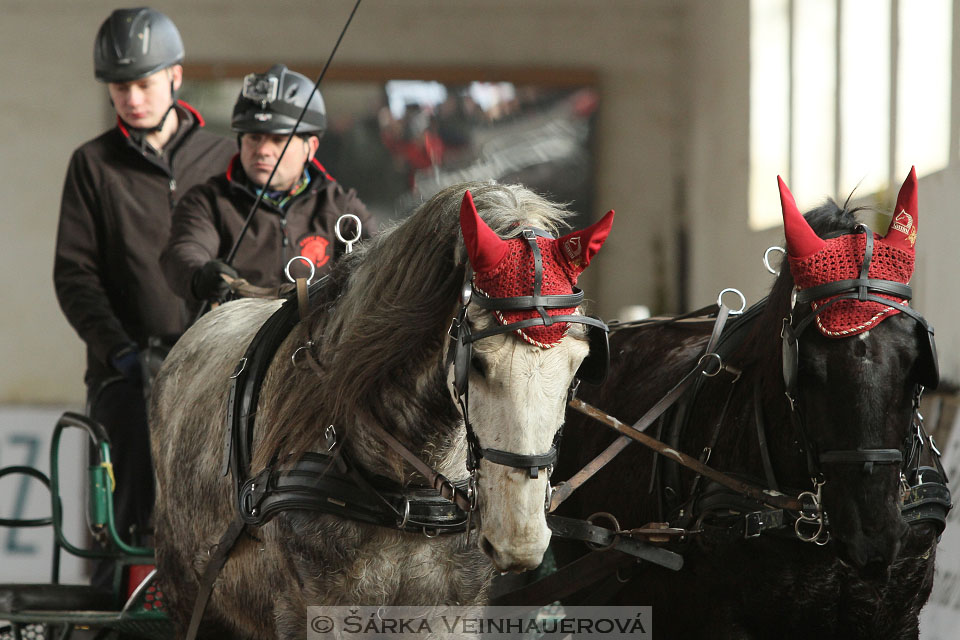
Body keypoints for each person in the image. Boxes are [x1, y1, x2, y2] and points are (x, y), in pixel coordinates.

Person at [52, 8, 236, 589]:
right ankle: (111, 622)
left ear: (175, 78)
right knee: (126, 522)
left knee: (222, 514)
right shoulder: (92, 164)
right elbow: (75, 276)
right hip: (126, 375)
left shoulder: (221, 160)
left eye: (143, 83)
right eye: (119, 87)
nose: (131, 98)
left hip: (215, 372)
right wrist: (120, 353)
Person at [161, 64, 375, 305]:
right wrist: (199, 275)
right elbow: (185, 250)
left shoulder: (343, 208)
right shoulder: (208, 201)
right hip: (231, 337)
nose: (263, 150)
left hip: (319, 338)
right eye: (254, 137)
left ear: (311, 147)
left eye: (278, 140)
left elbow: (379, 266)